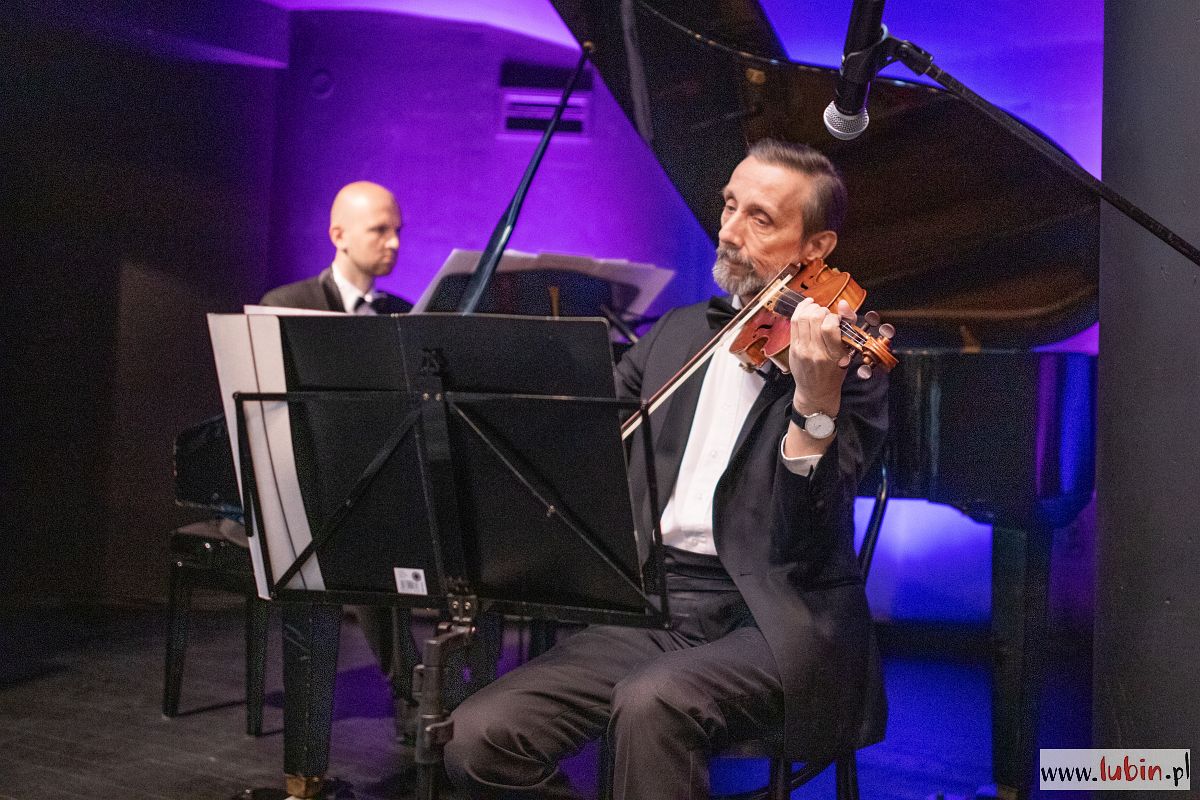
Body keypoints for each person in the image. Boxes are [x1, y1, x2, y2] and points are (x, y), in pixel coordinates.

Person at [443, 139, 889, 800]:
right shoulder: (679, 334)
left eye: (760, 219)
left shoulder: (846, 367)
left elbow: (806, 527)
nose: (730, 231)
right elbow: (588, 434)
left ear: (817, 248)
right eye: (729, 206)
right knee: (476, 736)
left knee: (652, 701)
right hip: (658, 605)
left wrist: (814, 403)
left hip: (778, 618)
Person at [262, 180, 416, 799]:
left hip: (371, 486)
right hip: (304, 488)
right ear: (339, 235)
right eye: (380, 230)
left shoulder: (402, 313)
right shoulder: (289, 303)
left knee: (399, 533)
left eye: (398, 230)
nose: (394, 242)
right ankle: (407, 695)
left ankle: (426, 694)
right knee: (364, 540)